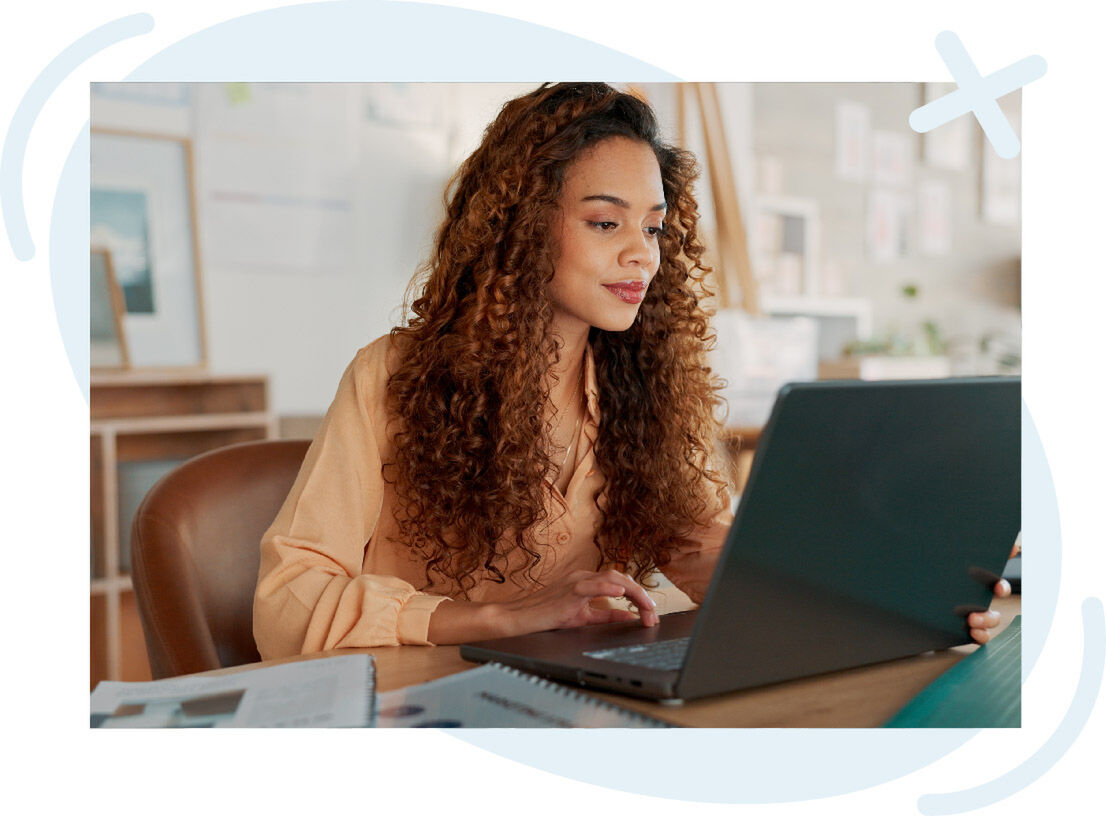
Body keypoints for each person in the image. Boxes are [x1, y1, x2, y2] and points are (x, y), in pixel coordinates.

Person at [253, 83, 1009, 661]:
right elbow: (287, 603)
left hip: (586, 703)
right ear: (521, 228)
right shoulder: (392, 375)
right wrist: (500, 617)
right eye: (605, 222)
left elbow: (707, 553)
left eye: (653, 227)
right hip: (426, 710)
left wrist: (883, 596)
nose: (643, 254)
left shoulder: (646, 387)